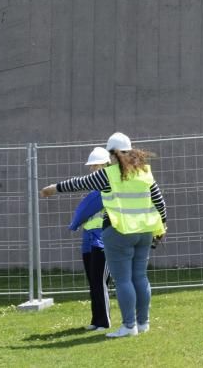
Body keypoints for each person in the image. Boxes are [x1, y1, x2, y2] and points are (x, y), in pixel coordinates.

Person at [41, 132, 167, 338]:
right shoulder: (145, 173)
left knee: (123, 280)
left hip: (118, 233)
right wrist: (162, 228)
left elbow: (79, 183)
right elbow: (160, 203)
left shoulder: (108, 175)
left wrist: (52, 188)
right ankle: (143, 323)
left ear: (112, 154)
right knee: (140, 277)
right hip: (144, 232)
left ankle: (128, 326)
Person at [68, 146, 112, 332]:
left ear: (107, 164)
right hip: (89, 239)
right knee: (93, 281)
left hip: (103, 240)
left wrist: (74, 223)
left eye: (97, 166)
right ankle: (96, 320)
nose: (93, 170)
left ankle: (104, 321)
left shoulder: (107, 186)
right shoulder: (94, 187)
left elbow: (84, 211)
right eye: (92, 167)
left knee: (100, 281)